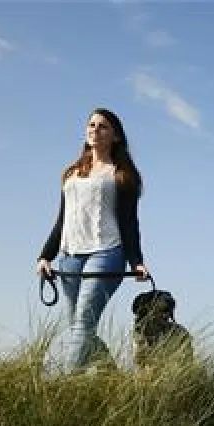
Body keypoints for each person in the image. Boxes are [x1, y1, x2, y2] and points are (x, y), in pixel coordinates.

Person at [36, 108, 150, 372]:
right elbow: (63, 218)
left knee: (83, 324)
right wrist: (45, 255)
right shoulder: (71, 174)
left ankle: (64, 387)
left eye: (103, 127)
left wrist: (137, 261)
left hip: (106, 254)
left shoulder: (121, 175)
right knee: (78, 326)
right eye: (91, 125)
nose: (95, 130)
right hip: (69, 256)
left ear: (115, 136)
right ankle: (109, 374)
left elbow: (130, 223)